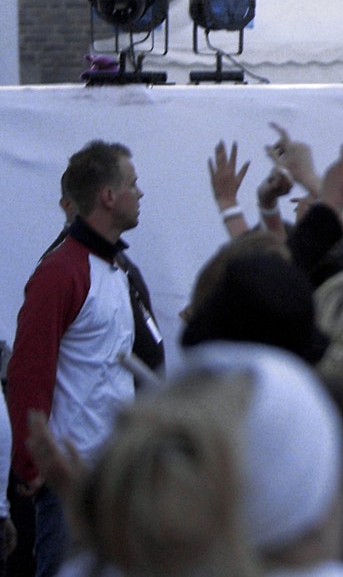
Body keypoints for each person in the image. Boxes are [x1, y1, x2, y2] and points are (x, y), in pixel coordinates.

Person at [8, 141, 165, 577]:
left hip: (115, 478)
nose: (141, 193)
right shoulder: (62, 272)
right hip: (69, 483)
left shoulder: (115, 269)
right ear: (108, 196)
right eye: (133, 184)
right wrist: (32, 463)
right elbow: (27, 371)